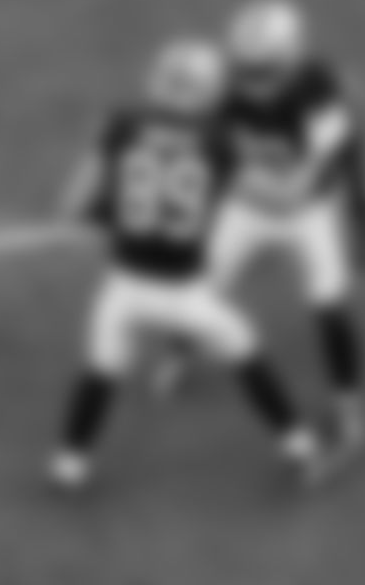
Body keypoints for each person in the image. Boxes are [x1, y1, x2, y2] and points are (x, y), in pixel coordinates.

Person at [47, 38, 327, 491]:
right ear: (208, 90)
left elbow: (71, 205)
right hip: (182, 291)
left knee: (102, 366)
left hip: (123, 285)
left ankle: (69, 462)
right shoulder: (219, 144)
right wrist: (321, 155)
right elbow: (283, 201)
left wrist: (115, 218)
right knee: (244, 347)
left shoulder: (121, 123)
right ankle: (300, 447)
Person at [211, 0, 365, 457]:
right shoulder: (223, 88)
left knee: (330, 303)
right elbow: (211, 153)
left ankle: (349, 402)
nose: (254, 82)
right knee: (199, 285)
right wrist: (247, 189)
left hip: (307, 210)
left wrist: (364, 224)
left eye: (264, 70)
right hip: (247, 205)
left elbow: (346, 162)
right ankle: (180, 345)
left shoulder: (319, 88)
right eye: (248, 69)